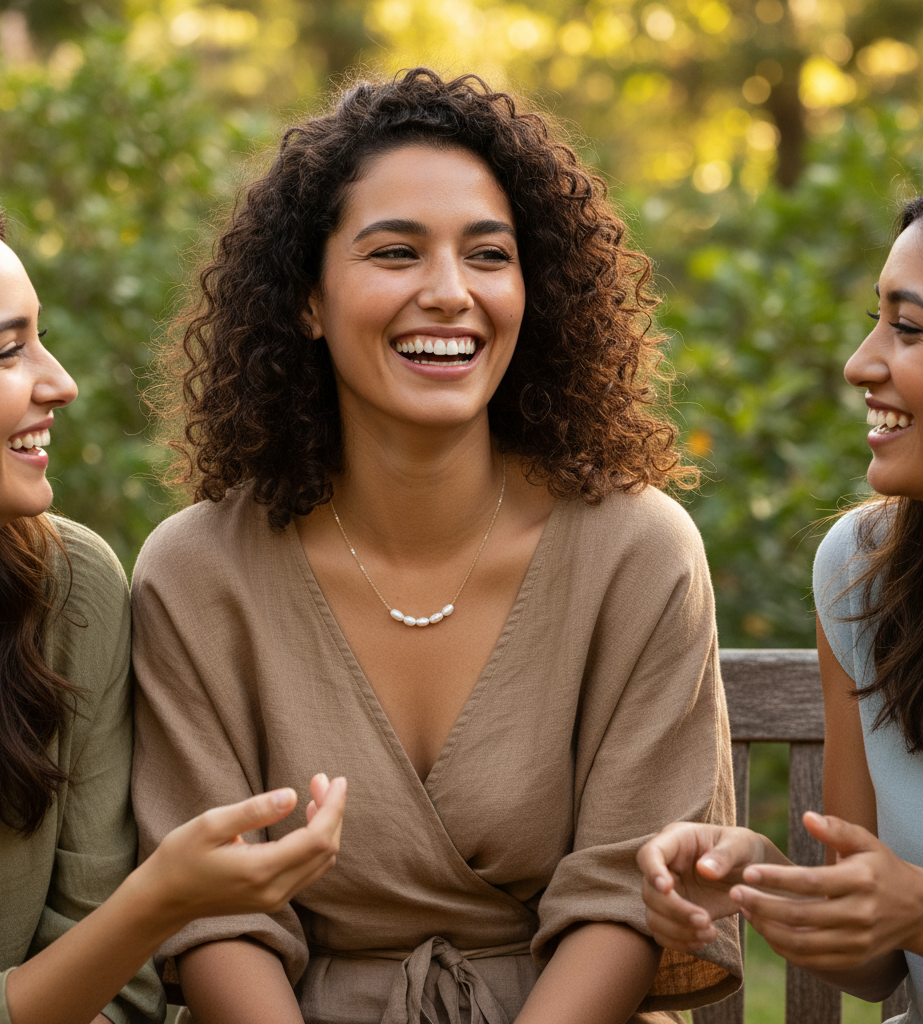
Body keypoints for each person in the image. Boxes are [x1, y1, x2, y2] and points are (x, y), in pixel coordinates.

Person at [131, 68, 740, 1024]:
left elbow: (627, 904)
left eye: (489, 255)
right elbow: (217, 922)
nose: (450, 294)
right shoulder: (199, 573)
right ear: (308, 300)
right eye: (395, 253)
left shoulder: (638, 551)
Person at [0, 187, 346, 1024]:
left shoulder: (72, 591)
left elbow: (123, 999)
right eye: (6, 353)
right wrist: (160, 900)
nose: (59, 384)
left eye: (43, 340)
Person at [638, 197, 923, 1021]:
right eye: (877, 321)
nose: (860, 363)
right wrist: (759, 878)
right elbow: (875, 965)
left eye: (911, 329)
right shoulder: (860, 575)